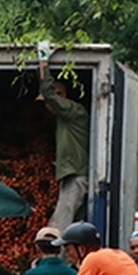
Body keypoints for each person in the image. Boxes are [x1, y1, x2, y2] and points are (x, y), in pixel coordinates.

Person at [38, 52, 90, 231]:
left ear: (62, 95)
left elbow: (49, 93)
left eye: (50, 102)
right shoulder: (65, 119)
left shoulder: (74, 111)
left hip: (76, 175)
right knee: (75, 227)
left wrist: (43, 62)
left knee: (60, 224)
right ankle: (71, 259)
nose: (48, 106)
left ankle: (52, 257)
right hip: (72, 174)